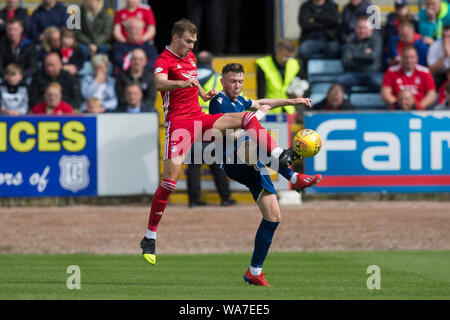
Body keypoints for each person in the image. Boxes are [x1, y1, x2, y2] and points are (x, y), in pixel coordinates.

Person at [140, 19, 297, 266]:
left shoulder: (189, 59)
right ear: (176, 37)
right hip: (178, 124)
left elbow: (194, 83)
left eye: (194, 42)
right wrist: (181, 83)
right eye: (188, 41)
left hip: (199, 118)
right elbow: (159, 83)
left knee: (246, 117)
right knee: (169, 182)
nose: (191, 47)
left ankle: (279, 156)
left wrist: (203, 93)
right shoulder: (163, 61)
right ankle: (150, 237)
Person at [208, 63, 322, 286]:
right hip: (232, 160)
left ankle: (254, 271)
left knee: (273, 216)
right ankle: (293, 177)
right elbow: (230, 136)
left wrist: (292, 101)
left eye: (240, 81)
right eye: (232, 81)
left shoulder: (241, 101)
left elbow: (262, 103)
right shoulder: (218, 102)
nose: (237, 85)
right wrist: (257, 116)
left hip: (253, 165)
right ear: (222, 82)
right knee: (252, 141)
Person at [187, 50, 235, 207]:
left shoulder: (189, 80)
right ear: (212, 63)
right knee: (216, 161)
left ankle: (194, 200)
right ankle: (225, 197)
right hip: (213, 123)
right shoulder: (217, 79)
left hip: (192, 123)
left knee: (194, 163)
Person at [338, 16, 383, 94]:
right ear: (355, 29)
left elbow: (373, 58)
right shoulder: (350, 42)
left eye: (365, 28)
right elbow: (345, 62)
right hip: (353, 74)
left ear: (371, 30)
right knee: (339, 82)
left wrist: (353, 57)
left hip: (373, 73)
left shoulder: (376, 40)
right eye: (360, 28)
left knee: (379, 83)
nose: (362, 31)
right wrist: (365, 56)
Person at [255, 40, 302, 114]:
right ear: (277, 52)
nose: (287, 60)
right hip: (270, 110)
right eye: (285, 57)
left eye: (289, 57)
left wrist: (297, 94)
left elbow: (299, 83)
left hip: (289, 110)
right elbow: (261, 92)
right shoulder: (263, 64)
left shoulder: (294, 64)